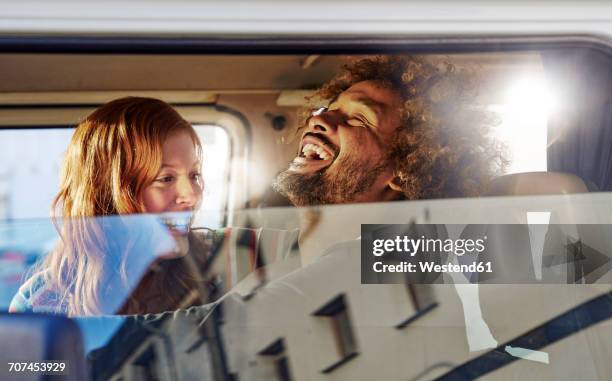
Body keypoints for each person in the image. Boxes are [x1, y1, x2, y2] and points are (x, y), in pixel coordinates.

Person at [9, 97, 212, 316]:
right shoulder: (40, 303)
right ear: (107, 196)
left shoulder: (222, 256)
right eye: (166, 179)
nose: (191, 195)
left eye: (194, 175)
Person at [273, 55, 503, 206]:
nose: (319, 118)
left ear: (406, 172)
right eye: (328, 108)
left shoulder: (386, 273)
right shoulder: (269, 250)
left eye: (358, 119)